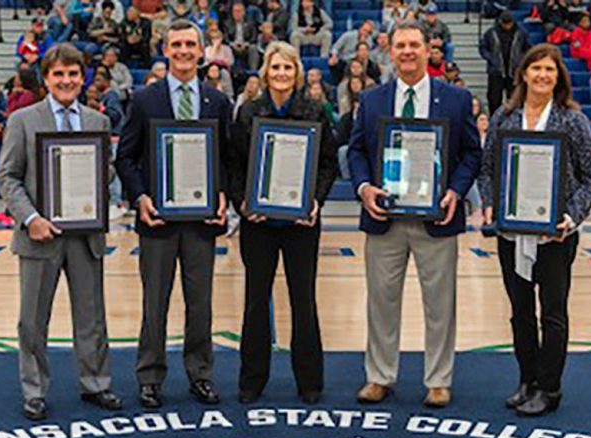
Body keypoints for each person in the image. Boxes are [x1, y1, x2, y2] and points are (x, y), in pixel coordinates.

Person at [348, 20, 481, 406]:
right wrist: (363, 187)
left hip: (436, 218)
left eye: (414, 45)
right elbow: (355, 151)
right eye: (401, 45)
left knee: (440, 303)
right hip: (384, 217)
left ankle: (439, 380)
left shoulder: (455, 98)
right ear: (390, 51)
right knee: (381, 301)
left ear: (428, 49)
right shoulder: (372, 100)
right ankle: (379, 376)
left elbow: (472, 152)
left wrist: (456, 190)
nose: (407, 51)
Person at [478, 43, 591, 416]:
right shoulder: (504, 117)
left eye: (550, 70)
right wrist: (489, 202)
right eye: (536, 69)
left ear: (558, 77)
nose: (542, 76)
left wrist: (570, 216)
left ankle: (550, 389)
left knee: (553, 313)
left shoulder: (571, 119)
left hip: (555, 234)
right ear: (523, 74)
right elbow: (487, 170)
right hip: (511, 232)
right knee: (520, 313)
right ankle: (528, 380)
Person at [0, 43, 123, 420]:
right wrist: (31, 218)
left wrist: (98, 177)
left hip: (84, 235)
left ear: (82, 78)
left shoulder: (97, 121)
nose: (66, 81)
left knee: (92, 315)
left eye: (72, 74)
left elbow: (108, 171)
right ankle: (34, 391)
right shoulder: (23, 120)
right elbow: (8, 177)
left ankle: (96, 383)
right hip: (39, 235)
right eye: (58, 74)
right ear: (47, 79)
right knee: (33, 320)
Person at [115, 20, 232, 408]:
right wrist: (141, 197)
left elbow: (228, 160)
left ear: (202, 52)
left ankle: (200, 374)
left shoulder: (218, 102)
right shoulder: (145, 99)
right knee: (155, 304)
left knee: (201, 304)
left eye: (190, 45)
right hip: (158, 221)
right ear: (166, 50)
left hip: (201, 222)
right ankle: (150, 377)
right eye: (176, 44)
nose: (183, 51)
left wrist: (223, 195)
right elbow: (125, 157)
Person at [230, 41, 338, 404]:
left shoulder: (315, 110)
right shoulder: (248, 112)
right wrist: (243, 203)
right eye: (275, 68)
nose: (281, 74)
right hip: (258, 222)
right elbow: (234, 166)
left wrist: (315, 201)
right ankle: (252, 381)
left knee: (303, 300)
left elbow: (327, 164)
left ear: (297, 72)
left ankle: (310, 382)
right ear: (265, 73)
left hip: (300, 224)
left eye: (287, 68)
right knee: (255, 301)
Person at [480, 11, 531, 114]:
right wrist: (491, 58)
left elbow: (528, 49)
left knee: (514, 99)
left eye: (509, 23)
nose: (507, 25)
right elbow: (483, 48)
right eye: (504, 23)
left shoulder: (521, 33)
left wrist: (521, 60)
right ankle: (494, 119)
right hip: (496, 71)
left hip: (514, 71)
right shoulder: (491, 33)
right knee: (494, 99)